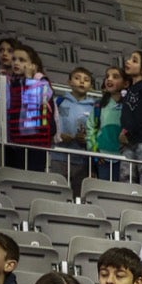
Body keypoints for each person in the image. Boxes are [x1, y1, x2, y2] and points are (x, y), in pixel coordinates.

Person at [5, 43, 54, 173]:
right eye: (14, 59)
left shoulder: (42, 81)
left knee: (32, 175)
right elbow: (5, 105)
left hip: (35, 141)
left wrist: (29, 79)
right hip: (14, 139)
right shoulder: (10, 82)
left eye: (22, 60)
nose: (16, 63)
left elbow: (35, 103)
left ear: (33, 65)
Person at [52, 66, 94, 196]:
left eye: (86, 80)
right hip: (58, 156)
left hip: (82, 159)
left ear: (91, 86)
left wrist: (87, 139)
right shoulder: (58, 102)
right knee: (57, 192)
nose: (81, 82)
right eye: (77, 78)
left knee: (78, 194)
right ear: (69, 82)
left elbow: (96, 132)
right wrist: (58, 135)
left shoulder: (94, 107)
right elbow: (50, 125)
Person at [88, 65, 124, 182]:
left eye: (115, 77)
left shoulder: (129, 106)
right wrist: (95, 152)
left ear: (126, 83)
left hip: (125, 159)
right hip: (103, 157)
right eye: (107, 76)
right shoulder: (99, 106)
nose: (109, 79)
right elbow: (91, 129)